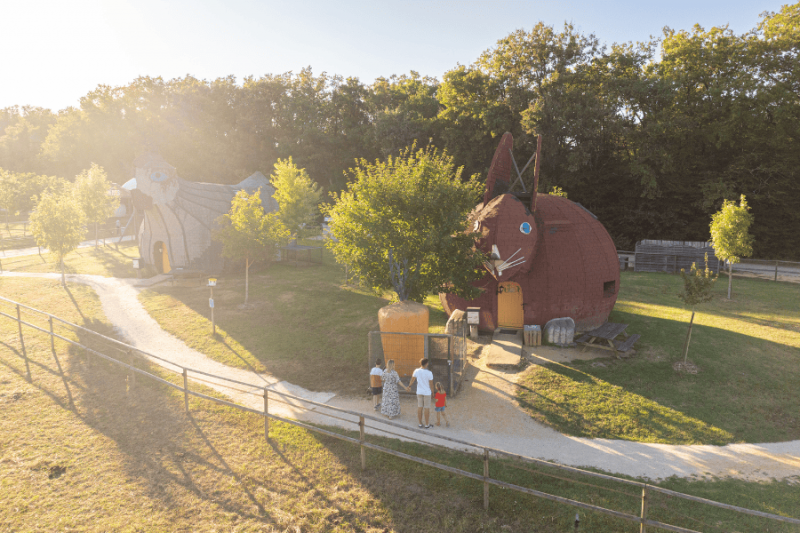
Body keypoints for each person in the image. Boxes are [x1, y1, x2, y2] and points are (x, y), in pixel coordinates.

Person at [407, 358, 434, 428]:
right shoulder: (429, 373)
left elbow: (412, 379)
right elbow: (431, 384)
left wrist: (409, 386)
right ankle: (427, 424)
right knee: (426, 408)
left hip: (419, 392)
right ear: (426, 364)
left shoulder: (416, 371)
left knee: (420, 407)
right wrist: (433, 392)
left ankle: (420, 423)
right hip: (427, 392)